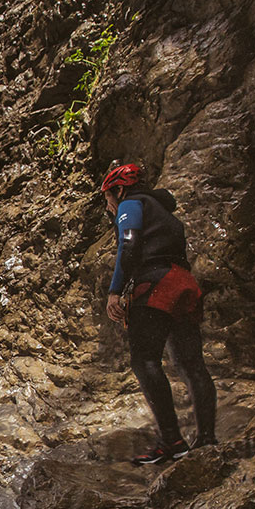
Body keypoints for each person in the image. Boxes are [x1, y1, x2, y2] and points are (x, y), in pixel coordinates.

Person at [101, 163, 217, 465]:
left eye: (107, 198)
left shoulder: (130, 204)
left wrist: (115, 291)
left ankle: (172, 441)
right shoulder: (165, 213)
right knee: (191, 364)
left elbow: (129, 244)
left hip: (156, 284)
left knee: (144, 360)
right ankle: (206, 440)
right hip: (184, 283)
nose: (109, 206)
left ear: (118, 189)